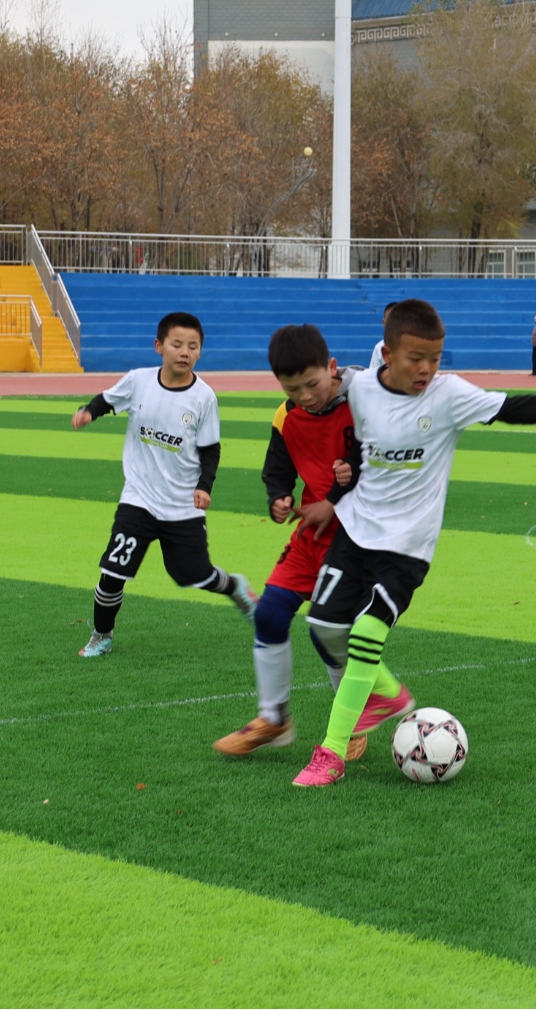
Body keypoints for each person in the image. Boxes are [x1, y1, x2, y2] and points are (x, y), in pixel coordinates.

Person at [291, 298, 536, 787]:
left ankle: (330, 753)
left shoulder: (448, 395)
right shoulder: (360, 387)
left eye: (435, 358)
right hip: (354, 530)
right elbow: (319, 398)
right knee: (324, 627)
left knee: (367, 633)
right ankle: (386, 693)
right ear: (386, 353)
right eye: (415, 359)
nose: (427, 369)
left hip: (407, 547)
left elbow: (517, 408)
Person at [214, 324, 373, 759]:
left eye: (312, 384)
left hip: (357, 540)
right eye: (292, 388)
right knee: (269, 615)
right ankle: (273, 718)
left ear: (332, 367)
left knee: (330, 632)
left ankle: (352, 717)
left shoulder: (365, 402)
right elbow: (277, 467)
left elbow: (383, 463)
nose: (305, 395)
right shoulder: (286, 416)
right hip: (311, 535)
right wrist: (278, 498)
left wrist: (340, 493)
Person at [71, 311, 257, 657]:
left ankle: (234, 587)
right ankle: (102, 635)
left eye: (193, 346)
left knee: (195, 575)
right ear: (159, 346)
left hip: (182, 506)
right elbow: (107, 400)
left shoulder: (203, 397)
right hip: (138, 499)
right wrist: (88, 412)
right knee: (113, 569)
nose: (184, 352)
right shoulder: (138, 380)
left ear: (199, 352)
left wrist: (205, 487)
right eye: (177, 344)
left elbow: (211, 450)